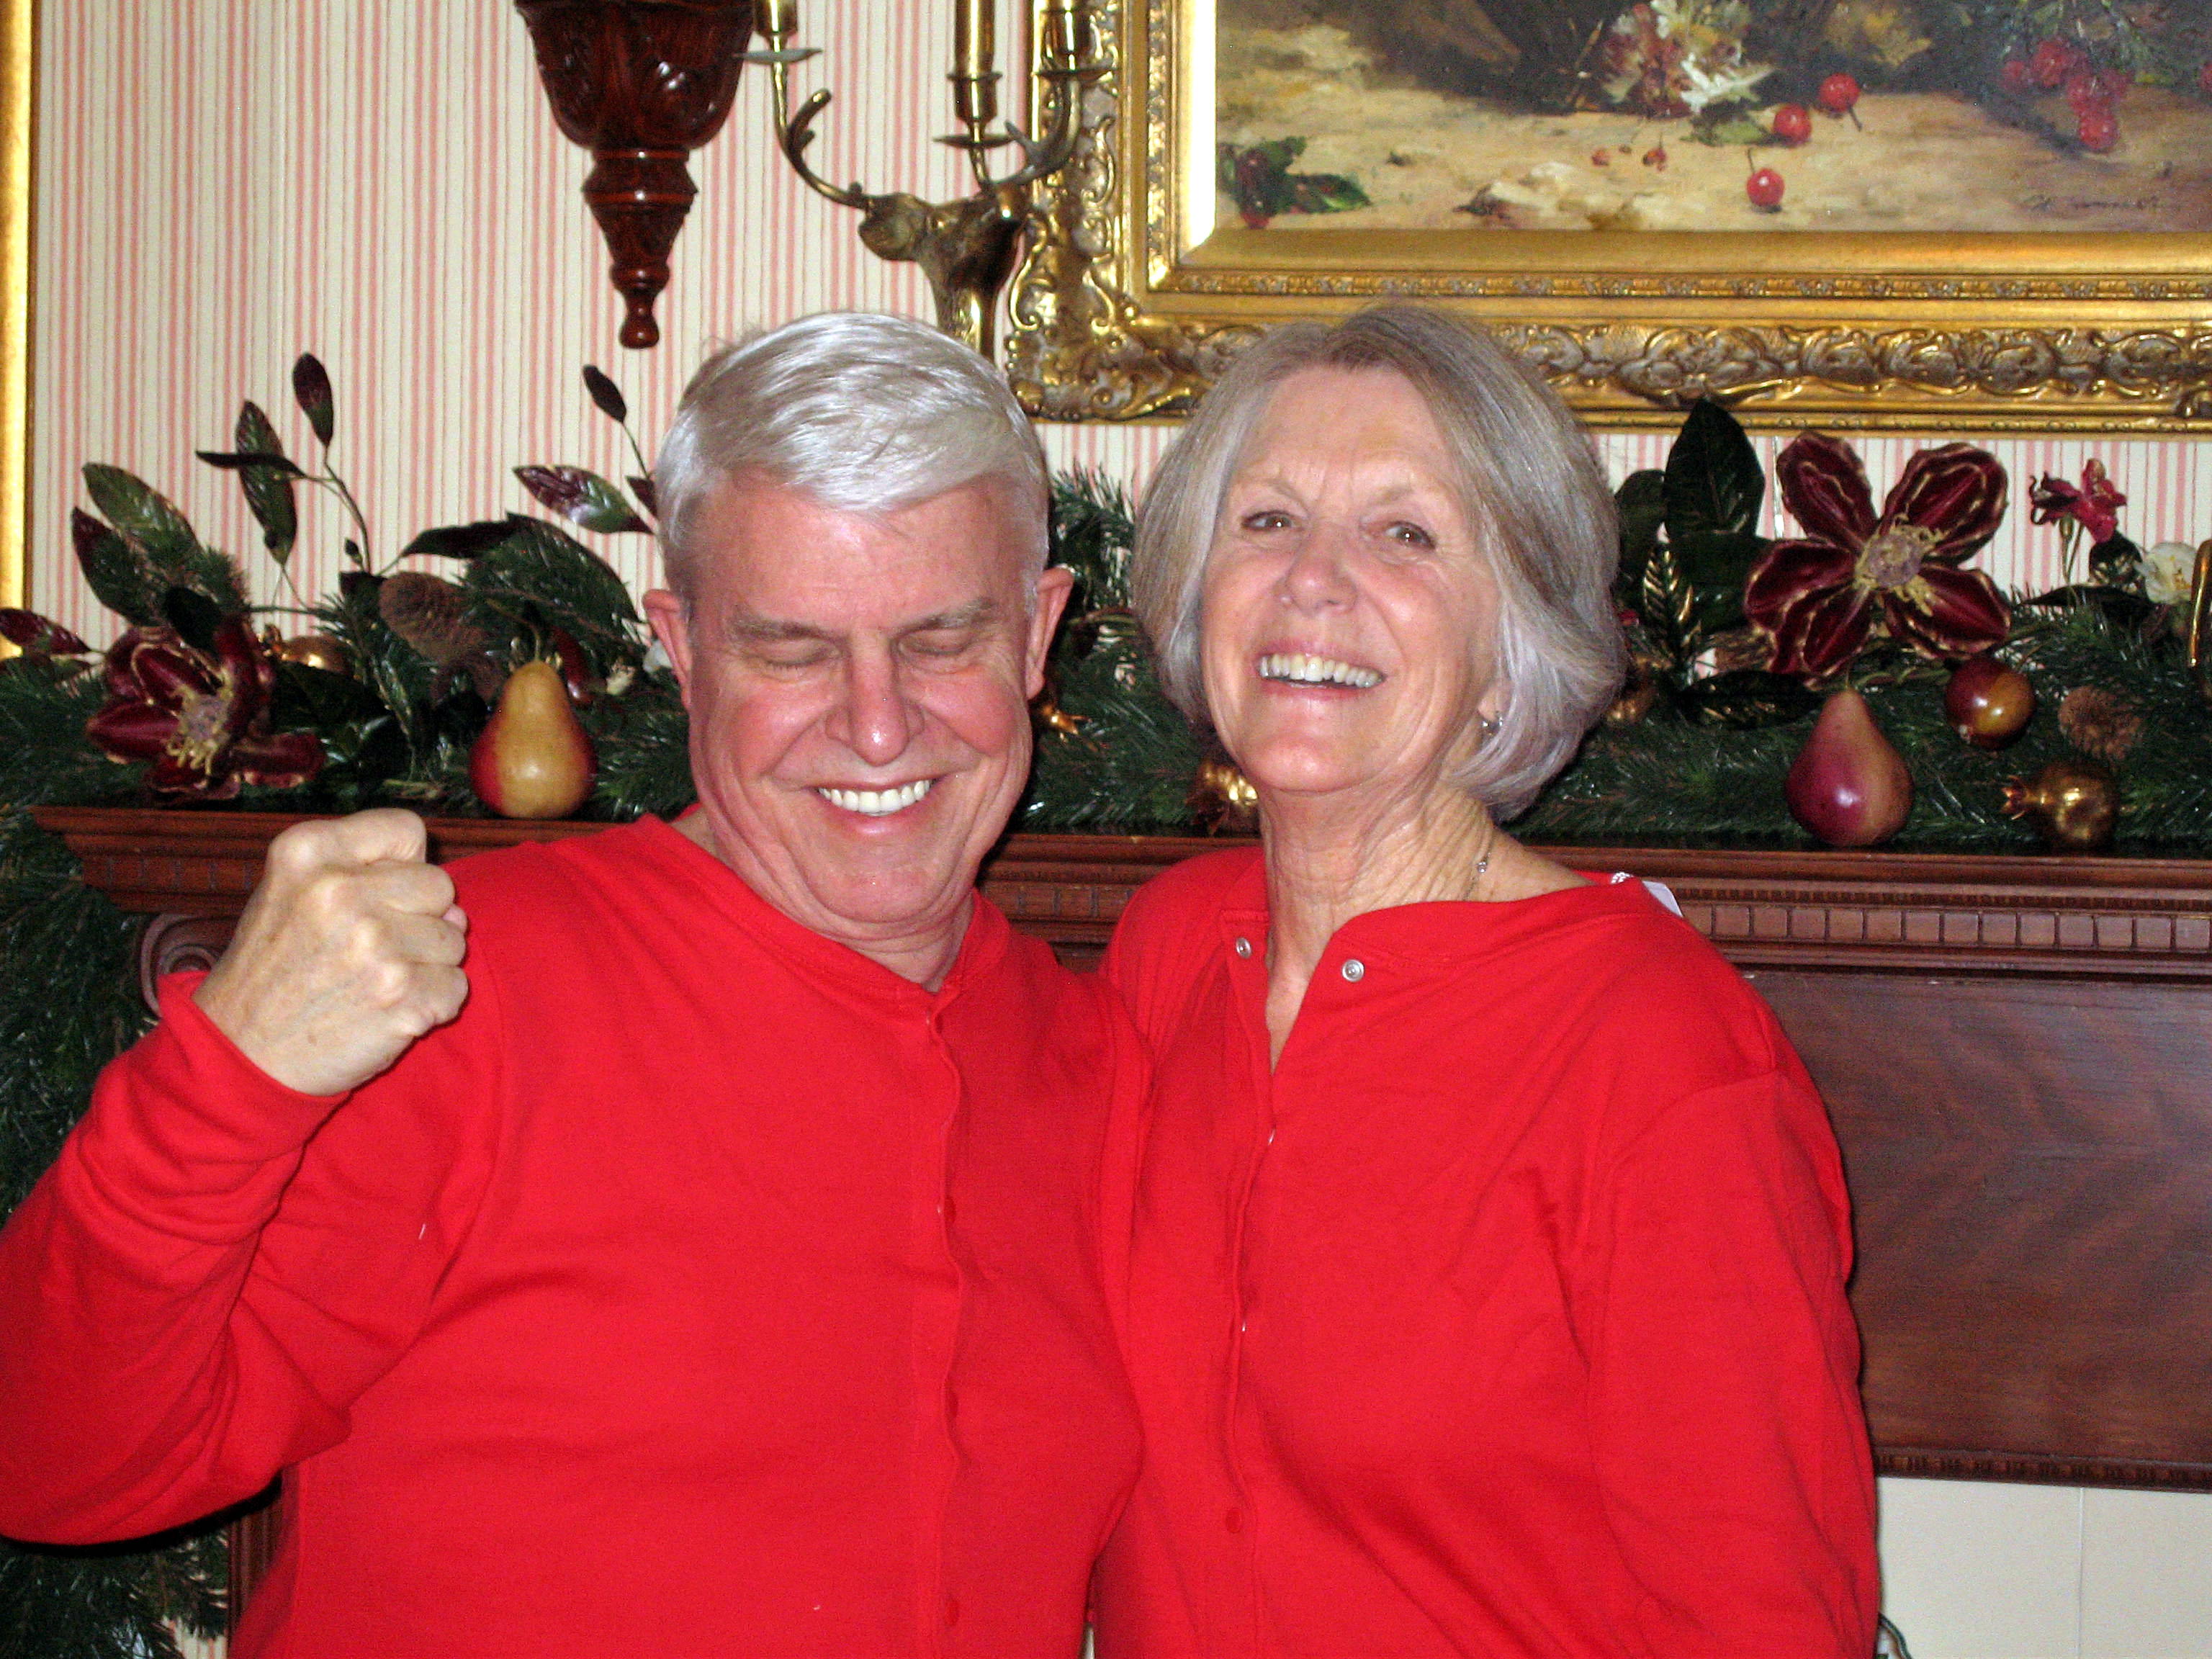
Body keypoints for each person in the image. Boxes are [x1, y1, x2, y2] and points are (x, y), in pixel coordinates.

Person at [0, 313, 1146, 1658]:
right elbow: (58, 1464)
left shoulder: (1097, 1055)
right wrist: (231, 1080)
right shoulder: (459, 992)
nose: (879, 725)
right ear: (684, 646)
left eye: (942, 639)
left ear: (1036, 635)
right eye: (791, 650)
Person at [1089, 306, 1879, 1658]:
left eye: (1406, 534)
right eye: (1267, 520)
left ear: (1511, 648)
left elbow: (1766, 1618)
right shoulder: (1166, 956)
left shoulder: (1661, 1055)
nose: (1313, 581)